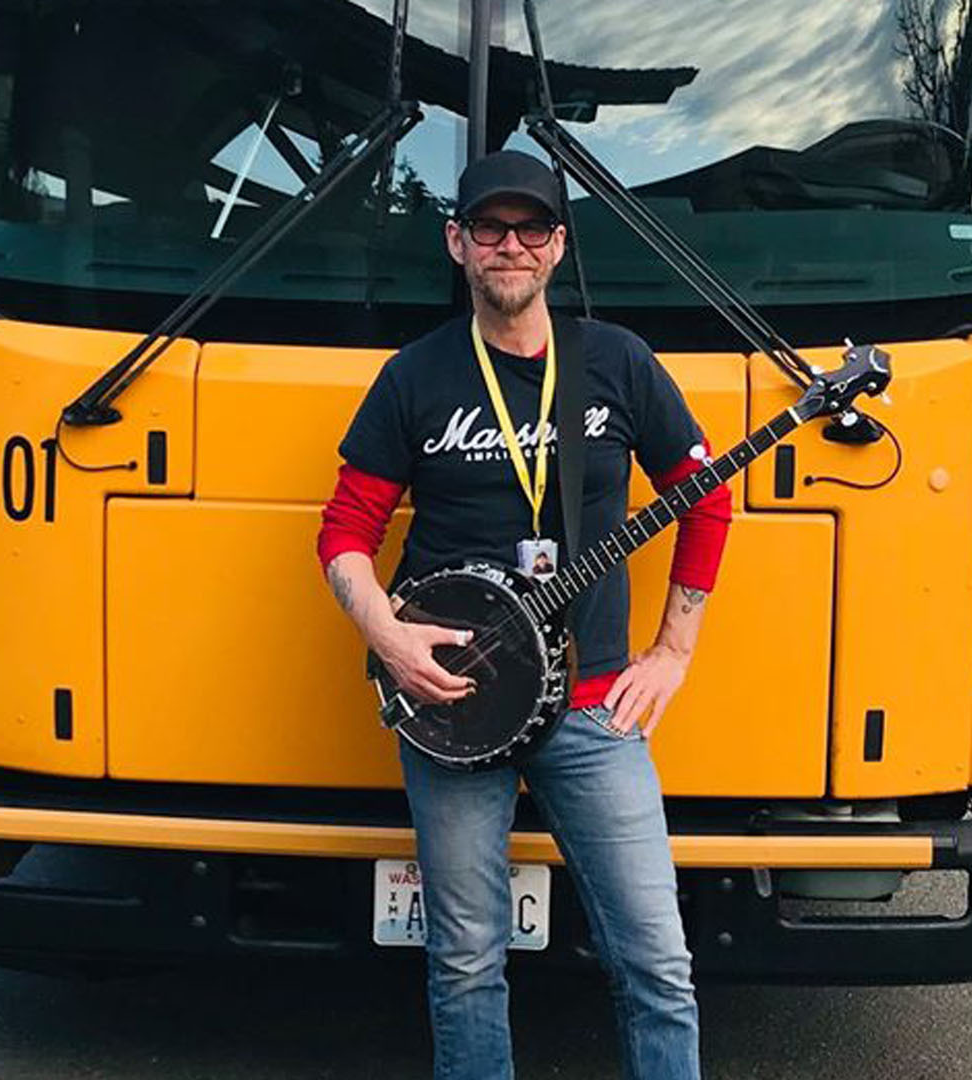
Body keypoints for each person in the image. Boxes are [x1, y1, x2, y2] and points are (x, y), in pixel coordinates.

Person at [317, 150, 732, 1080]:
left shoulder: (617, 363)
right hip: (453, 710)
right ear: (456, 243)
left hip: (593, 713)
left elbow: (706, 497)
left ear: (558, 245)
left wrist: (673, 650)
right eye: (490, 228)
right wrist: (386, 637)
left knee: (658, 963)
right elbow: (344, 531)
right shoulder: (414, 376)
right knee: (466, 961)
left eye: (531, 227)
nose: (511, 245)